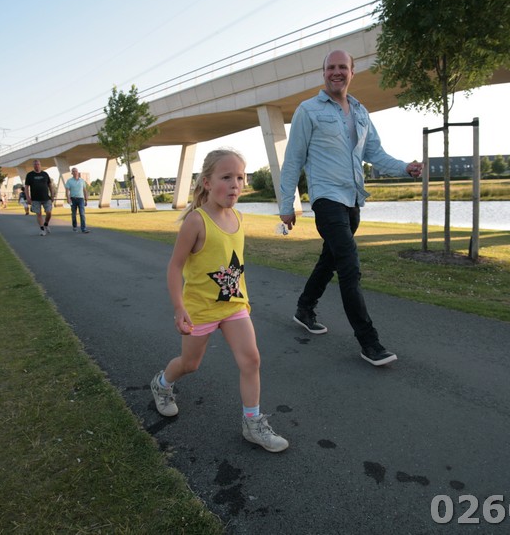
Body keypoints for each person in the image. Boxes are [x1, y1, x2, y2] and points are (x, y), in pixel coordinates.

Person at [278, 49, 423, 367]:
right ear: (323, 73)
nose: (336, 72)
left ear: (352, 72)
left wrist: (404, 167)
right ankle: (369, 342)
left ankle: (305, 307)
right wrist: (286, 205)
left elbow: (376, 153)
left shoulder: (360, 111)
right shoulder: (308, 110)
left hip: (353, 200)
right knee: (349, 266)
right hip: (326, 199)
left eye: (342, 67)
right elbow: (293, 161)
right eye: (331, 67)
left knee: (329, 260)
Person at [150, 149, 288, 453]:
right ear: (207, 182)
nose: (235, 184)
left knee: (251, 359)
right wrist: (179, 308)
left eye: (240, 177)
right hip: (200, 309)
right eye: (226, 177)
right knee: (190, 364)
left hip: (234, 306)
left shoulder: (238, 216)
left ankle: (252, 423)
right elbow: (175, 266)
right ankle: (162, 384)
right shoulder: (196, 221)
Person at [24, 159, 54, 236]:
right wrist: (28, 197)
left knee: (49, 212)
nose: (37, 166)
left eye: (38, 164)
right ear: (33, 166)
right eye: (35, 164)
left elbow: (50, 185)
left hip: (46, 198)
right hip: (35, 199)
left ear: (40, 165)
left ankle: (46, 224)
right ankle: (42, 229)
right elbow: (26, 187)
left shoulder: (45, 174)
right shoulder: (30, 175)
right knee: (39, 214)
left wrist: (52, 195)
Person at [65, 167, 90, 233]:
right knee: (74, 214)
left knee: (82, 214)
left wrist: (86, 200)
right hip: (73, 199)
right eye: (73, 171)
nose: (75, 172)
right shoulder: (69, 181)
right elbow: (67, 190)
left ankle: (83, 228)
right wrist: (68, 198)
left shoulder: (82, 181)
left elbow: (85, 190)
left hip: (81, 199)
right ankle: (75, 227)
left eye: (76, 171)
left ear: (77, 172)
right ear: (72, 173)